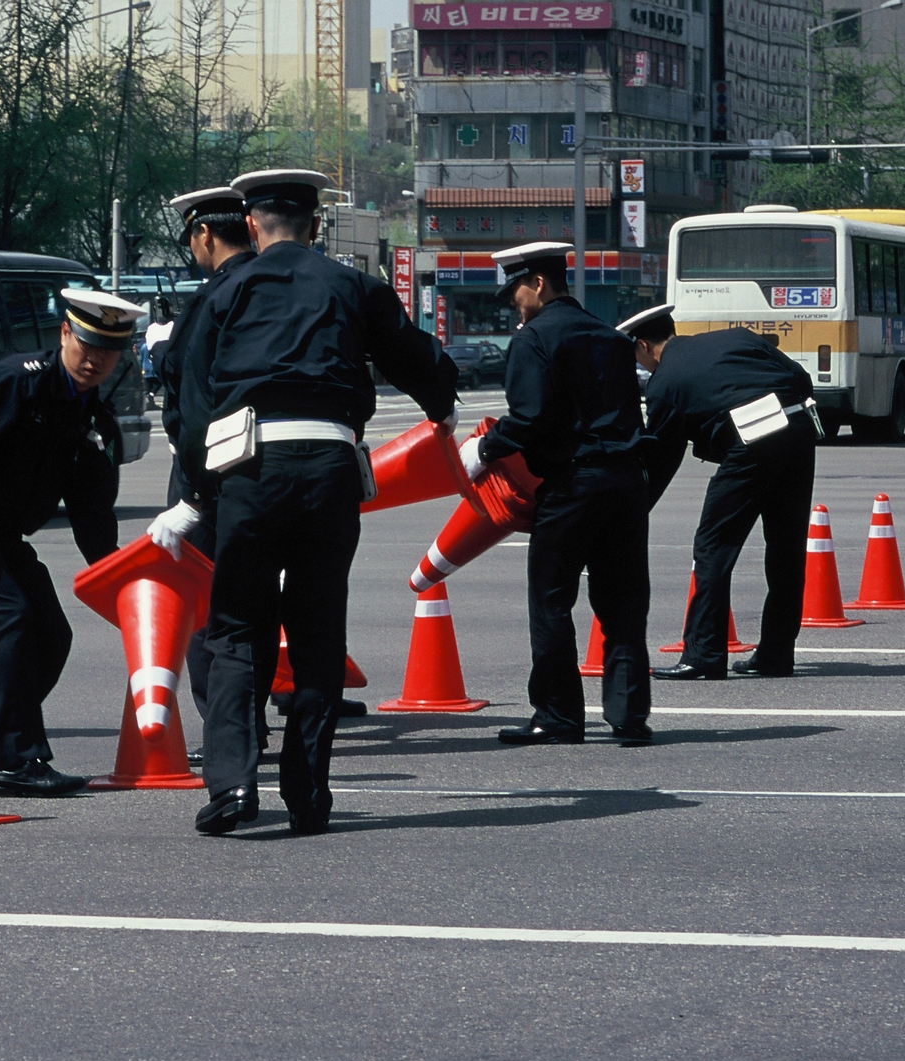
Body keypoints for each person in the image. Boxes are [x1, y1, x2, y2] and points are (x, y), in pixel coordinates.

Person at [174, 169, 458, 835]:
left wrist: (196, 492)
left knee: (237, 628)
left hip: (250, 468)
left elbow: (192, 404)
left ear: (251, 225)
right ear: (317, 225)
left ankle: (234, 785)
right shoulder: (353, 286)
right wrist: (441, 406)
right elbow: (415, 356)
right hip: (331, 467)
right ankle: (308, 793)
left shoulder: (227, 290)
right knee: (318, 629)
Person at [0, 289, 138, 797]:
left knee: (53, 635)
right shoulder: (19, 380)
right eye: (87, 344)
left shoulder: (93, 418)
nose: (95, 359)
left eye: (108, 350)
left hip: (2, 534)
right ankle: (18, 761)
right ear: (64, 334)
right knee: (9, 621)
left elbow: (91, 511)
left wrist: (113, 577)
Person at [459, 241, 651, 746]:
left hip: (572, 485)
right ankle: (629, 715)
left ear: (539, 283)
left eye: (515, 290)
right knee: (624, 602)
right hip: (625, 482)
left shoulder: (534, 339)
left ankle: (559, 715)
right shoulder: (610, 337)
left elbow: (530, 419)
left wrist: (484, 448)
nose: (512, 302)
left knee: (551, 602)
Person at [626, 306, 818, 679]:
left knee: (713, 546)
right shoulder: (738, 338)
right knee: (786, 548)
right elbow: (801, 377)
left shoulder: (664, 382)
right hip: (798, 430)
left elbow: (663, 458)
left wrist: (636, 508)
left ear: (644, 345)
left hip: (752, 441)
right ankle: (777, 654)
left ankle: (704, 655)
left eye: (636, 355)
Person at [144, 186, 257, 766]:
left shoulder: (212, 294)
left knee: (202, 598)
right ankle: (254, 718)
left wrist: (160, 349)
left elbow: (190, 387)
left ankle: (224, 727)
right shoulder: (271, 285)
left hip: (210, 467)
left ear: (204, 235)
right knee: (257, 594)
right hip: (275, 469)